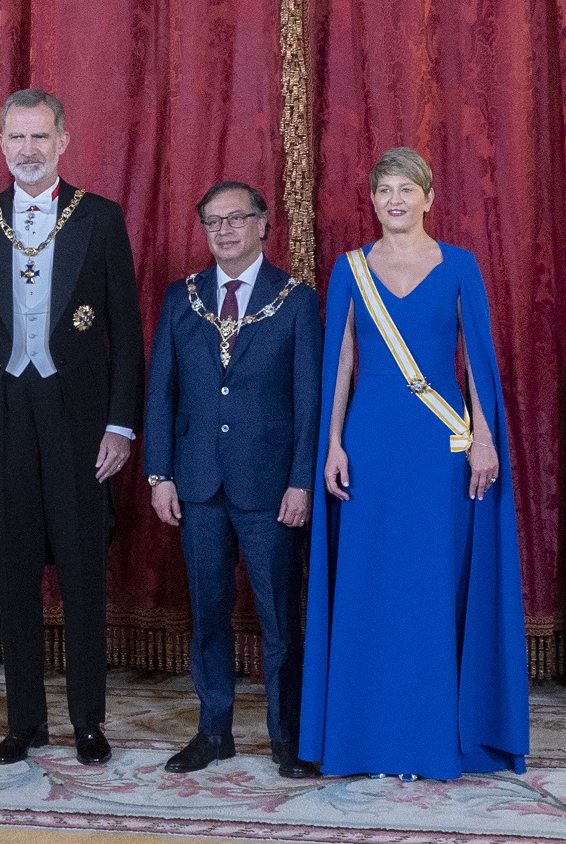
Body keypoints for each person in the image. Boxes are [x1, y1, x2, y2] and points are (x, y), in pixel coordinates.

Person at [298, 148, 528, 780]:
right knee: (370, 588)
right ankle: (366, 740)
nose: (394, 200)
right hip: (369, 443)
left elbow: (477, 360)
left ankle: (433, 740)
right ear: (371, 201)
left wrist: (486, 438)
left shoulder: (459, 266)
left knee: (429, 585)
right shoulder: (349, 269)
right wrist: (333, 443)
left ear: (430, 197)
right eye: (383, 191)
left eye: (407, 189)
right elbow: (340, 360)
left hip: (439, 448)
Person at [0, 89, 144, 766]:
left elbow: (128, 334)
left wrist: (120, 425)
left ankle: (88, 719)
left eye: (40, 137)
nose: (28, 150)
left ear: (63, 141)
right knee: (15, 569)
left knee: (84, 568)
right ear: (2, 146)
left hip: (79, 415)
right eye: (16, 139)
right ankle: (25, 720)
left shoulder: (101, 219)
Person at [144, 182, 321, 778]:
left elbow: (309, 403)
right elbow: (160, 393)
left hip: (271, 489)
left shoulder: (295, 301)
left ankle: (287, 738)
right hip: (197, 485)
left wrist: (301, 482)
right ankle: (213, 730)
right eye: (212, 222)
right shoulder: (181, 298)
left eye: (235, 219)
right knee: (208, 612)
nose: (224, 231)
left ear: (263, 223)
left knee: (279, 621)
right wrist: (159, 473)